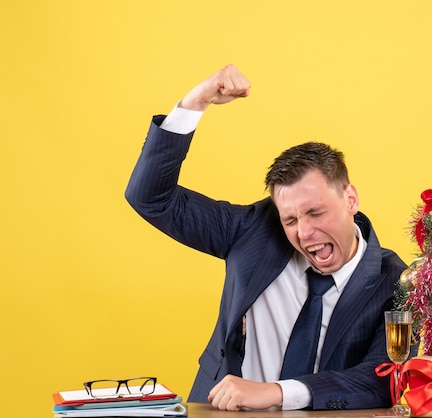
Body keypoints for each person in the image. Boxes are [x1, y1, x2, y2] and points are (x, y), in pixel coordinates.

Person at [125, 64, 407, 411]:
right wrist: (195, 103)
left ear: (350, 199)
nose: (303, 233)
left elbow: (383, 378)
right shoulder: (253, 231)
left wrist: (278, 392)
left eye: (315, 213)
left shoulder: (395, 281)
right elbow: (150, 198)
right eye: (290, 219)